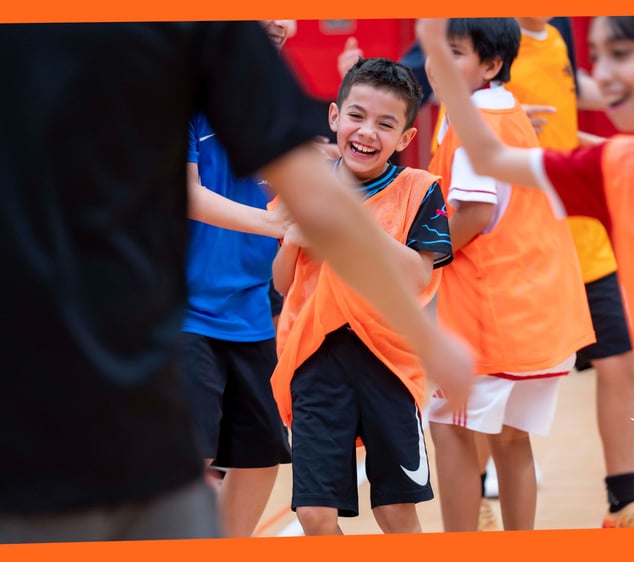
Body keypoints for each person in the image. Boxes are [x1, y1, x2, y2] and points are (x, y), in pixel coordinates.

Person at [0, 21, 472, 543]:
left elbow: (326, 215)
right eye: (356, 115)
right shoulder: (176, 68)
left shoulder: (245, 74)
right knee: (242, 487)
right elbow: (220, 203)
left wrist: (426, 340)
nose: (277, 24)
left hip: (258, 324)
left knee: (261, 459)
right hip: (185, 329)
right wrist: (283, 224)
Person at [417, 15, 634, 526]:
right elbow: (490, 157)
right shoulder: (612, 165)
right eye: (598, 56)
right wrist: (434, 48)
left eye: (619, 55)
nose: (600, 74)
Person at [422, 18, 595, 532]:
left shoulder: (476, 117)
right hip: (542, 312)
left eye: (453, 53)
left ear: (492, 65)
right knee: (511, 440)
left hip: (494, 316)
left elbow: (473, 213)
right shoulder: (507, 108)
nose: (436, 64)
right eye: (434, 51)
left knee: (449, 430)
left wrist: (418, 260)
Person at [269, 57, 453, 536]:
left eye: (385, 124)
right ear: (334, 117)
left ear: (406, 139)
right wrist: (292, 243)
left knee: (394, 511)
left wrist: (351, 221)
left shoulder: (421, 191)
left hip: (388, 363)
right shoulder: (306, 187)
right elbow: (283, 284)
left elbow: (417, 276)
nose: (367, 132)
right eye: (357, 116)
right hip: (313, 358)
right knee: (313, 511)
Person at [501, 16, 634, 529]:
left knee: (620, 364)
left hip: (584, 236)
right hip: (525, 235)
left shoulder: (560, 31)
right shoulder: (486, 30)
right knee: (504, 383)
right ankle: (481, 496)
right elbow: (443, 98)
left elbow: (569, 92)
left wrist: (620, 92)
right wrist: (508, 120)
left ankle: (623, 504)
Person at [179, 19, 297, 537]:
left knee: (258, 456)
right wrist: (270, 222)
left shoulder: (274, 100)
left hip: (251, 312)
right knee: (188, 460)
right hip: (179, 313)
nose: (279, 21)